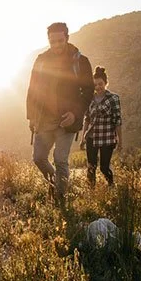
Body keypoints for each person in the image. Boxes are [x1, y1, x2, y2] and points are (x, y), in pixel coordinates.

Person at [26, 22, 94, 202]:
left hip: (67, 120)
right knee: (39, 158)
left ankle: (60, 199)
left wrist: (75, 114)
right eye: (52, 41)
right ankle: (56, 183)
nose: (56, 45)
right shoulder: (41, 60)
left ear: (67, 38)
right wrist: (31, 116)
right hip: (44, 118)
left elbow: (88, 92)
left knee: (60, 159)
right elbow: (32, 89)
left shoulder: (80, 61)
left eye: (60, 41)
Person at [80, 66, 122, 186]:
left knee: (104, 168)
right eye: (95, 85)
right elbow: (87, 119)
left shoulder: (113, 98)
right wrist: (83, 138)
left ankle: (111, 186)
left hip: (107, 137)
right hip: (91, 137)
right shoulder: (90, 99)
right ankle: (91, 194)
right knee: (91, 167)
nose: (98, 87)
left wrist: (120, 141)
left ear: (106, 83)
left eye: (100, 84)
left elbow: (117, 120)